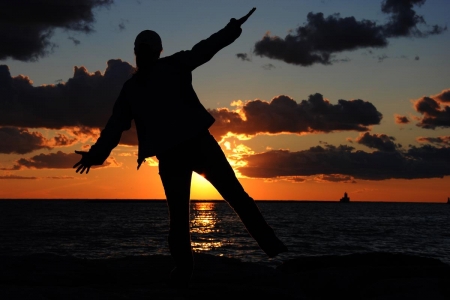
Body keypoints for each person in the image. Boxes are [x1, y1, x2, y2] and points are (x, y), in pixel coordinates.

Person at [73, 8, 287, 288]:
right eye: (140, 50)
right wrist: (96, 155)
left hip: (194, 146)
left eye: (144, 50)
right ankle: (187, 270)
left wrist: (232, 29)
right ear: (144, 52)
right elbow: (115, 127)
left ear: (154, 52)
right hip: (183, 150)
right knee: (190, 214)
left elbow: (206, 48)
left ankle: (268, 249)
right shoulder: (135, 87)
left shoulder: (157, 74)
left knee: (230, 198)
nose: (142, 55)